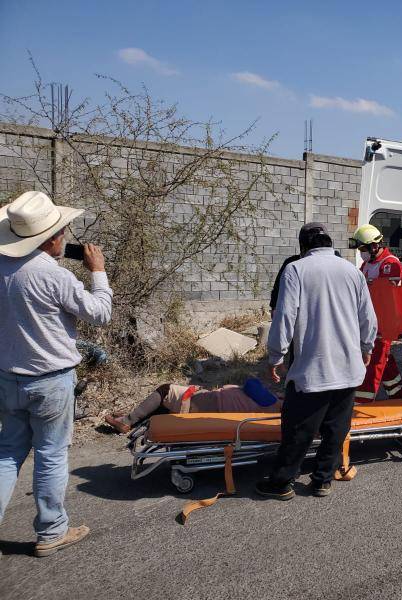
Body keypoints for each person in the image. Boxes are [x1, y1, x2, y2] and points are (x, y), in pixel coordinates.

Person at [0, 191, 112, 558]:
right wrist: (98, 272)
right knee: (50, 454)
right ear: (49, 238)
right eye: (63, 230)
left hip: (7, 376)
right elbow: (99, 314)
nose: (66, 236)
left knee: (7, 455)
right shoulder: (52, 274)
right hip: (49, 380)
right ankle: (51, 532)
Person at [257, 223, 377, 500]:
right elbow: (368, 318)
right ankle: (322, 480)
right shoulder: (351, 271)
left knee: (298, 429)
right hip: (348, 368)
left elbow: (284, 317)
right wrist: (366, 346)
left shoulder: (297, 270)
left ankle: (281, 483)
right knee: (336, 428)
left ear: (303, 246)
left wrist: (275, 356)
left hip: (313, 369)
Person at [350, 224, 402, 404]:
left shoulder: (390, 264)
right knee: (385, 366)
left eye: (363, 248)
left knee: (372, 367)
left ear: (374, 246)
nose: (360, 252)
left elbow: (386, 296)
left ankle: (360, 405)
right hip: (369, 323)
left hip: (382, 326)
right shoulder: (367, 264)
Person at [104, 378, 281, 434]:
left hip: (208, 405)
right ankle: (135, 419)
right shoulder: (268, 405)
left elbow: (251, 382)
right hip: (212, 404)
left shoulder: (271, 402)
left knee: (166, 390)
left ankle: (127, 421)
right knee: (167, 402)